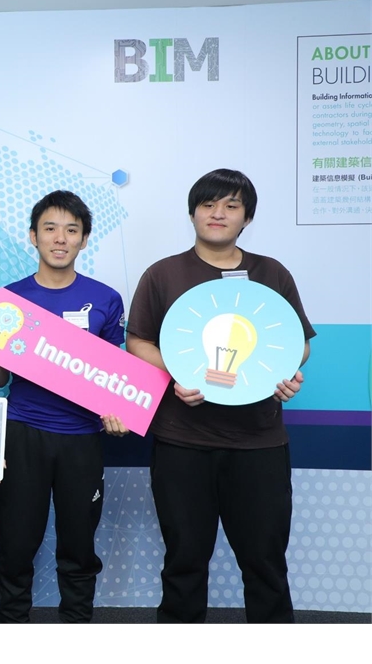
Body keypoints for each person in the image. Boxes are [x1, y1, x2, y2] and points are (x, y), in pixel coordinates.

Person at [126, 168, 314, 624]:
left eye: (231, 205)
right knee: (184, 561)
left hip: (259, 442)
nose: (218, 213)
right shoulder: (163, 274)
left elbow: (297, 343)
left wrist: (286, 373)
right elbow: (138, 341)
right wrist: (179, 373)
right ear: (192, 212)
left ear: (247, 217)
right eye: (208, 204)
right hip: (182, 441)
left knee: (265, 562)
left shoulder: (272, 273)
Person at [0, 190, 128, 624]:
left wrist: (118, 412)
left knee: (78, 546)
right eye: (50, 228)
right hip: (23, 433)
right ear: (33, 236)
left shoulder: (105, 299)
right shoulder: (7, 301)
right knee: (16, 544)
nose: (60, 238)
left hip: (83, 438)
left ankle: (76, 626)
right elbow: (2, 380)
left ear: (84, 239)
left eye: (71, 230)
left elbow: (117, 375)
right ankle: (12, 627)